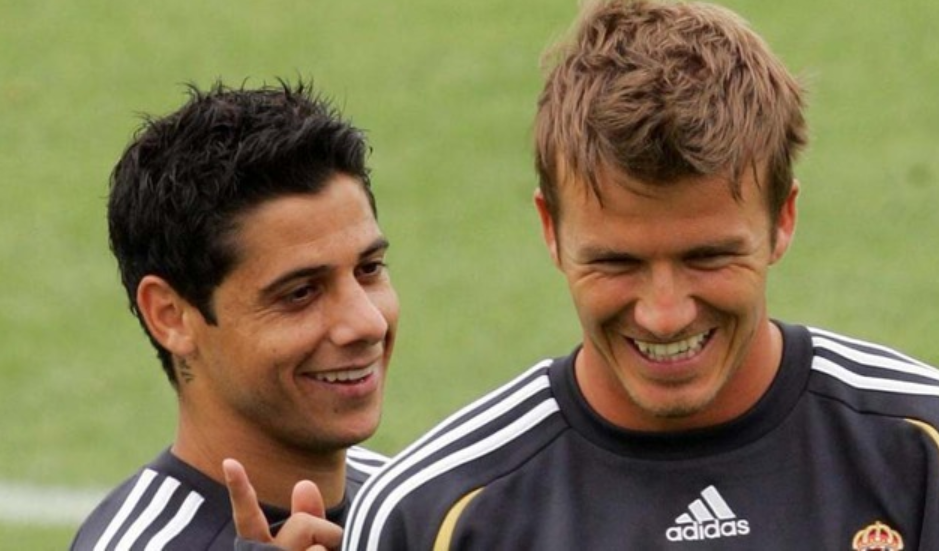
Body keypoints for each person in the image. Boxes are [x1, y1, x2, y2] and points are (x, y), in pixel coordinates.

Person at [335, 0, 939, 550]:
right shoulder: (433, 515)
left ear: (783, 218)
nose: (664, 314)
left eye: (708, 257)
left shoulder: (922, 447)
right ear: (551, 229)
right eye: (616, 262)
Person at [70, 80, 398, 551]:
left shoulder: (417, 502)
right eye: (300, 293)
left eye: (369, 269)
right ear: (171, 316)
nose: (368, 324)